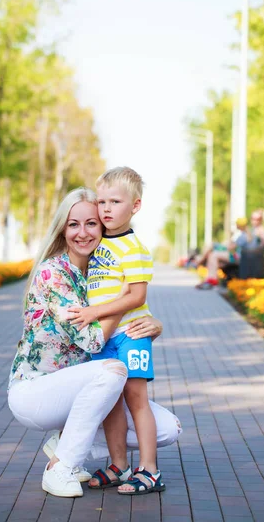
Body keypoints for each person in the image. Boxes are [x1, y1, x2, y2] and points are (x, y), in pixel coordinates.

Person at [7, 187, 181, 499]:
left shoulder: (104, 272)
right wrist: (126, 301)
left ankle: (70, 440)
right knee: (112, 370)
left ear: (103, 226)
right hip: (36, 392)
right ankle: (61, 466)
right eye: (74, 224)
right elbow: (92, 339)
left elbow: (129, 307)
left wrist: (153, 323)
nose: (83, 233)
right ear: (63, 228)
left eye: (91, 223)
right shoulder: (54, 274)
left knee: (167, 428)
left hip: (83, 390)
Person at [66, 167, 174, 496]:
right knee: (111, 400)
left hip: (131, 332)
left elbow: (137, 296)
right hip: (105, 338)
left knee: (136, 399)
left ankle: (150, 470)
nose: (107, 208)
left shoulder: (133, 248)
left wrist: (92, 312)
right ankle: (118, 465)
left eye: (116, 201)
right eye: (102, 201)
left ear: (135, 206)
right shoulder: (99, 245)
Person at [195, 217, 249, 290]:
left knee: (213, 253)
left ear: (240, 225)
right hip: (236, 256)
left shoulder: (243, 235)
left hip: (237, 257)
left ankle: (205, 271)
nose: (236, 225)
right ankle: (209, 280)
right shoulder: (242, 234)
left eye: (237, 224)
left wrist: (219, 246)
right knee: (212, 254)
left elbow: (231, 247)